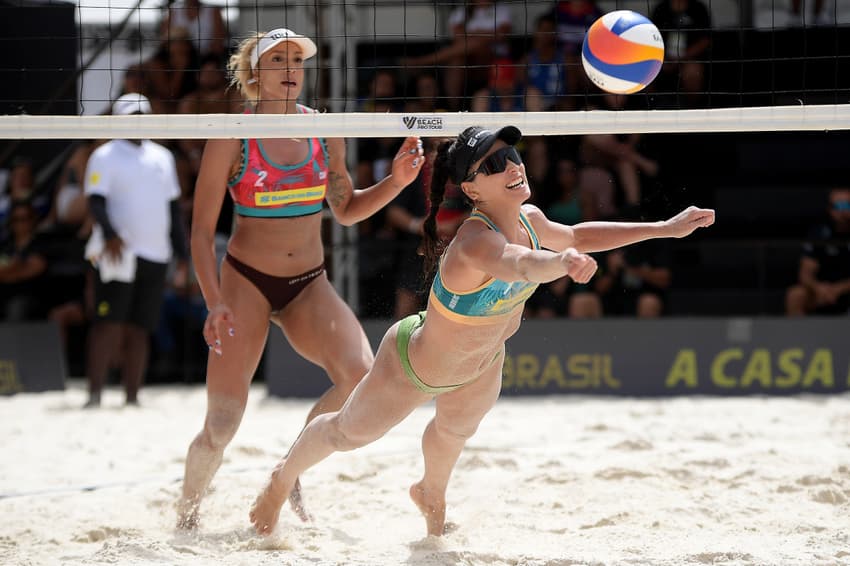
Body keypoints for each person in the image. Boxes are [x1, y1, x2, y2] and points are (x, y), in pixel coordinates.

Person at [248, 124, 716, 536]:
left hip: (482, 365)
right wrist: (560, 263)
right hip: (414, 364)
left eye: (511, 155)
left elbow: (578, 235)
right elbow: (519, 263)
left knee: (453, 433)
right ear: (471, 189)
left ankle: (430, 492)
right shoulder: (473, 242)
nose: (511, 165)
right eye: (493, 163)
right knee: (347, 434)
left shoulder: (532, 220)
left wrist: (664, 228)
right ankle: (281, 479)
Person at [176, 28, 424, 529]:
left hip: (307, 282)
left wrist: (396, 183)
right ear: (255, 73)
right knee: (221, 424)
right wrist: (214, 301)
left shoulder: (323, 129)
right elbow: (200, 234)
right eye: (278, 59)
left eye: (297, 59)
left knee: (360, 378)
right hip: (245, 281)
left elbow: (346, 210)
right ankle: (186, 515)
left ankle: (287, 472)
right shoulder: (232, 134)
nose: (291, 68)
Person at [83, 93, 189, 408]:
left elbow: (173, 211)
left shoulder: (163, 157)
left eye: (143, 115)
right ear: (119, 120)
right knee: (108, 324)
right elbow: (95, 201)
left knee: (141, 327)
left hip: (156, 253)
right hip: (118, 254)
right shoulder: (104, 155)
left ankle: (132, 396)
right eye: (133, 116)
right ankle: (95, 395)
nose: (139, 121)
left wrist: (183, 256)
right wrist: (111, 234)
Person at [785, 187, 850, 316]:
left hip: (845, 289)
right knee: (796, 295)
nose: (843, 211)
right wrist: (819, 288)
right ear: (830, 209)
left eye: (847, 205)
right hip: (824, 291)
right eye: (838, 206)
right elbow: (805, 274)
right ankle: (799, 330)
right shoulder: (819, 234)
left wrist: (839, 289)